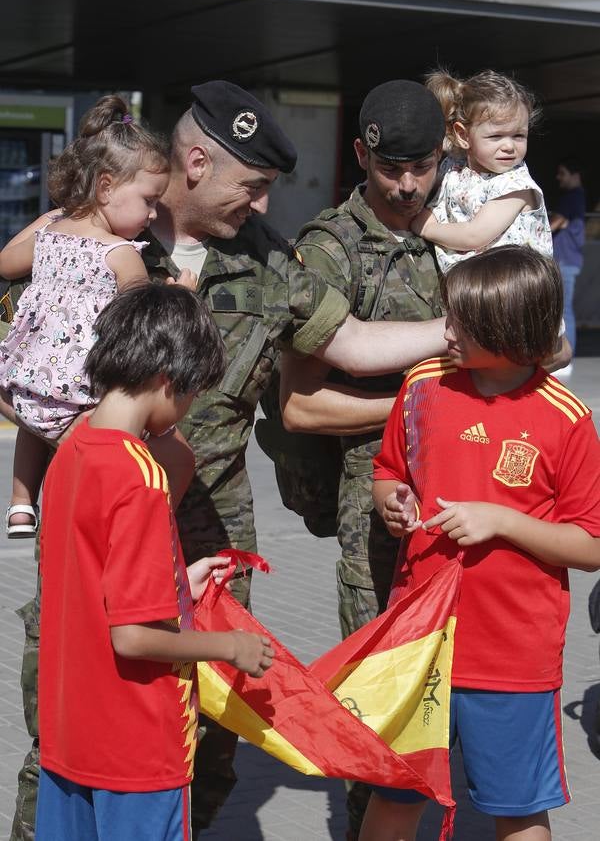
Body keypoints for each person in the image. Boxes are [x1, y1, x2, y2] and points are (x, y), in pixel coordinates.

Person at [10, 81, 449, 841]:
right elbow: (22, 365)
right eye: (251, 186)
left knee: (207, 744)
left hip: (207, 534)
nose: (261, 205)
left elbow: (349, 345)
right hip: (98, 528)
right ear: (195, 162)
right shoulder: (93, 236)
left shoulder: (270, 262)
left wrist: (462, 332)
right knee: (63, 737)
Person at [364, 245, 600, 841]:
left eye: (458, 322)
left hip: (512, 656)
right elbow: (389, 469)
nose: (444, 332)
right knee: (396, 797)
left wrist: (502, 521)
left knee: (517, 808)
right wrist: (391, 501)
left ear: (509, 329)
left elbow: (591, 544)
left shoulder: (566, 418)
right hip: (418, 645)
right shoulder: (423, 386)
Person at [35, 282, 275, 841]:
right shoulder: (141, 476)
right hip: (137, 746)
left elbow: (91, 581)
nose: (186, 411)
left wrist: (175, 582)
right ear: (169, 379)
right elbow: (134, 638)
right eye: (191, 397)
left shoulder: (73, 450)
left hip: (71, 734)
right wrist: (229, 646)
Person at [280, 79, 446, 840]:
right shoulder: (329, 248)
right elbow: (301, 406)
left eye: (424, 168)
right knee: (381, 702)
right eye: (392, 171)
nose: (408, 187)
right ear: (361, 156)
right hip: (373, 511)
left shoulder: (452, 233)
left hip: (461, 500)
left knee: (446, 694)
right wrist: (417, 409)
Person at [0, 95, 196, 542]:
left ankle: (19, 504)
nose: (151, 215)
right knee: (178, 457)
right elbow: (139, 321)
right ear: (105, 188)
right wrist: (178, 298)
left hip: (28, 386)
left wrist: (55, 216)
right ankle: (153, 528)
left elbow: (6, 263)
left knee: (32, 434)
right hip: (82, 397)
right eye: (149, 201)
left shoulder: (49, 234)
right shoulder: (120, 253)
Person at [410, 69, 552, 273]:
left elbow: (474, 236)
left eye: (518, 136)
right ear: (463, 135)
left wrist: (427, 227)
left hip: (509, 289)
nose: (509, 146)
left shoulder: (516, 185)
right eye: (496, 136)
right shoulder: (453, 168)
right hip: (466, 287)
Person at [550, 157, 586, 377]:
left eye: (562, 173)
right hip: (568, 261)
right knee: (564, 309)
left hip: (565, 261)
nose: (559, 178)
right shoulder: (576, 197)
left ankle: (565, 358)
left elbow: (556, 223)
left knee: (564, 310)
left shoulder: (572, 197)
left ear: (575, 175)